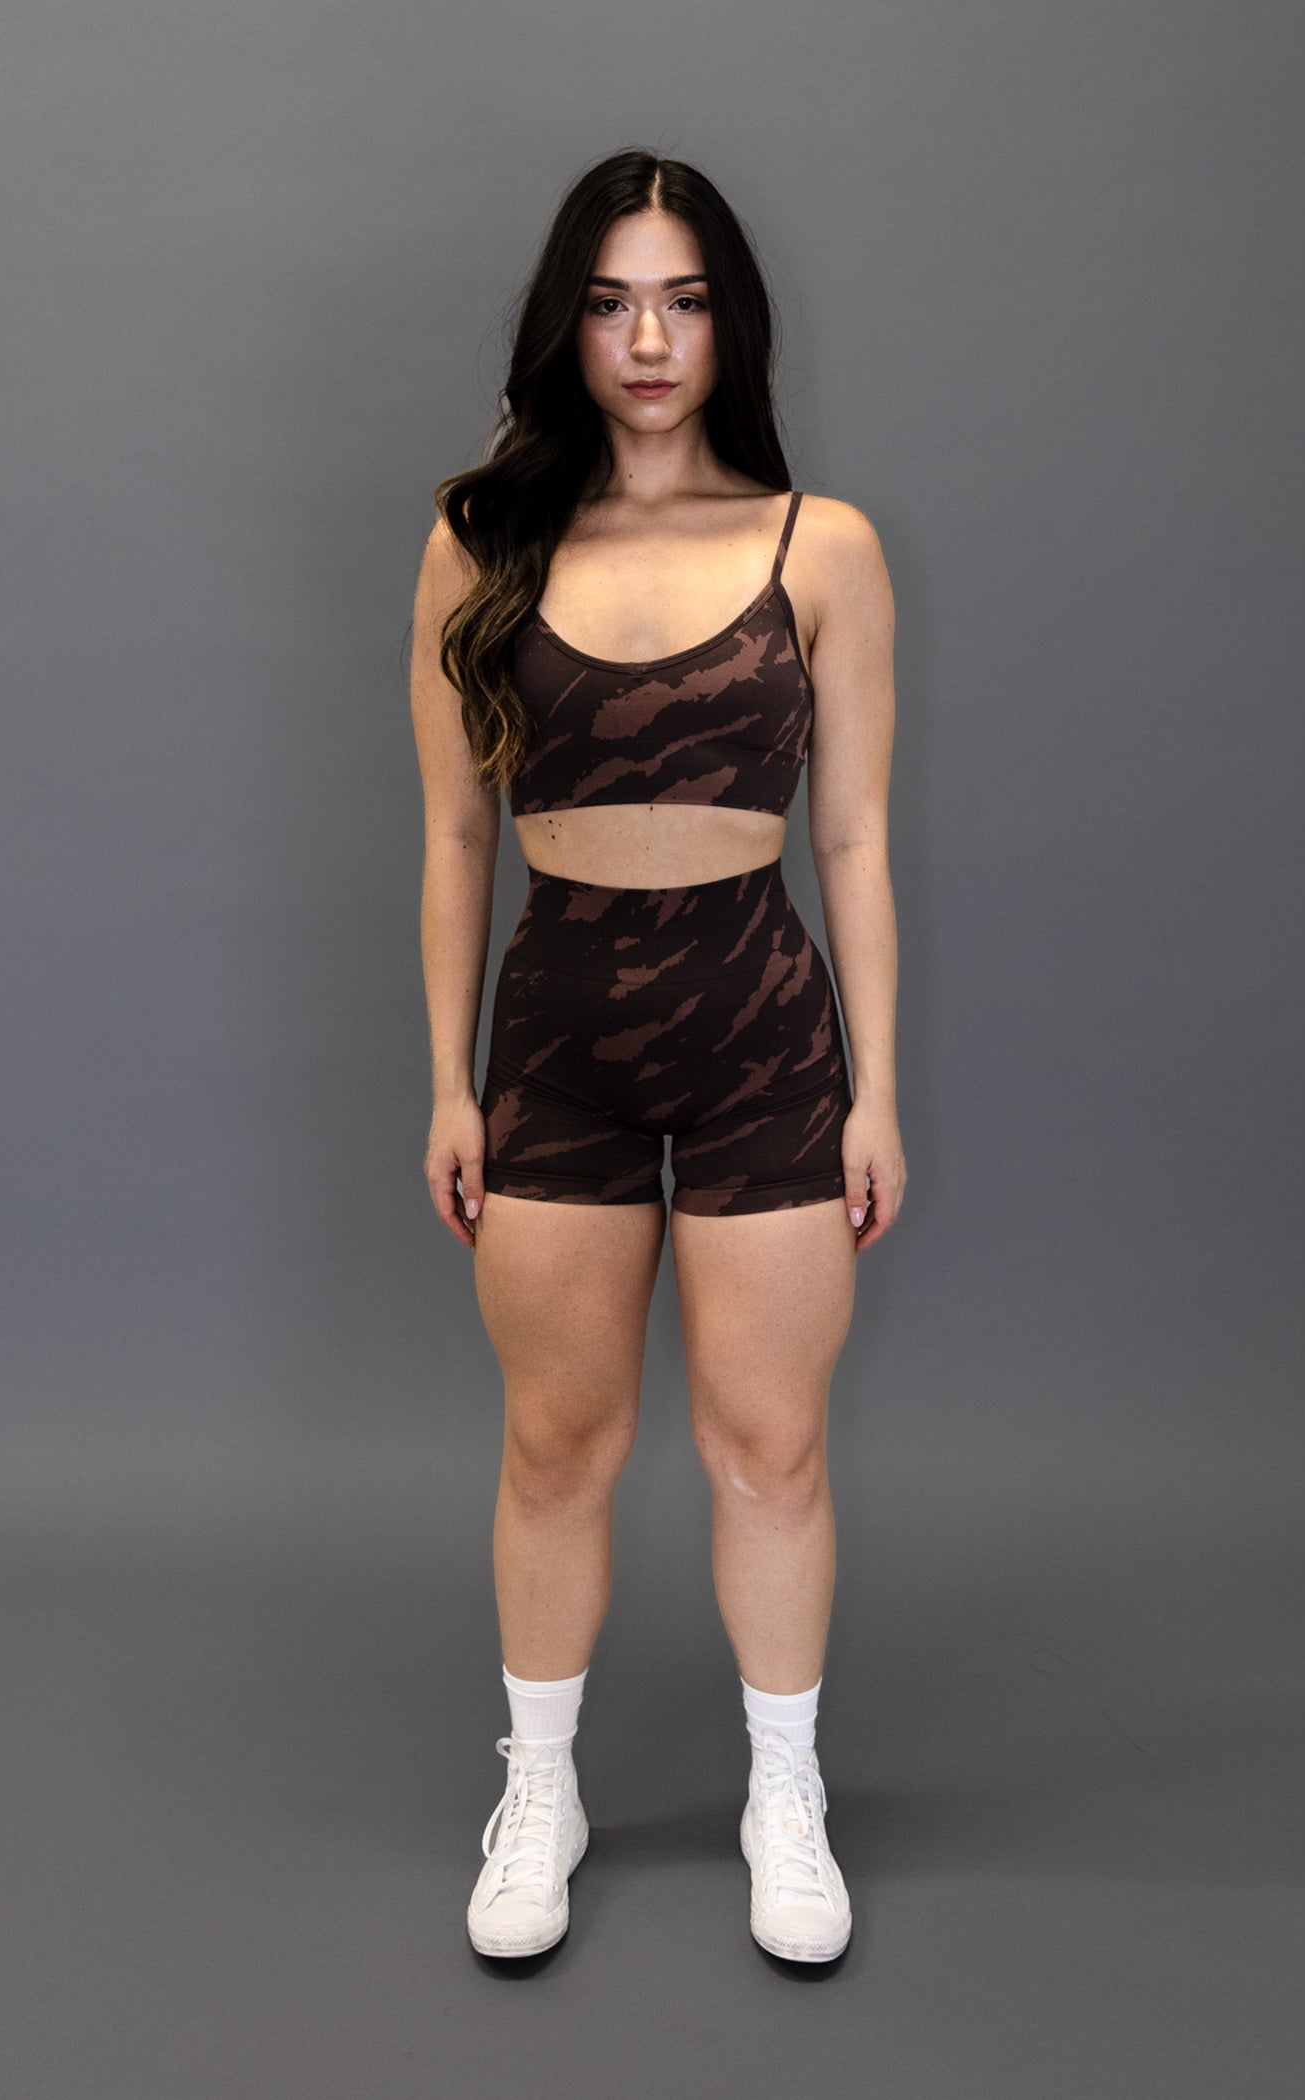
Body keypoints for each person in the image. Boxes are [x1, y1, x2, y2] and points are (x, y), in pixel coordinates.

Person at [408, 147, 904, 1964]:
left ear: (727, 326)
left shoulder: (818, 544)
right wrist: (450, 1082)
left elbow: (851, 836)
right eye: (612, 302)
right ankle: (539, 1787)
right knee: (558, 1442)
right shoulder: (480, 541)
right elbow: (454, 834)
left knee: (768, 1441)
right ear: (569, 323)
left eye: (683, 302)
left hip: (762, 1031)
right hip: (556, 1039)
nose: (645, 339)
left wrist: (877, 1088)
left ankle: (787, 1793)